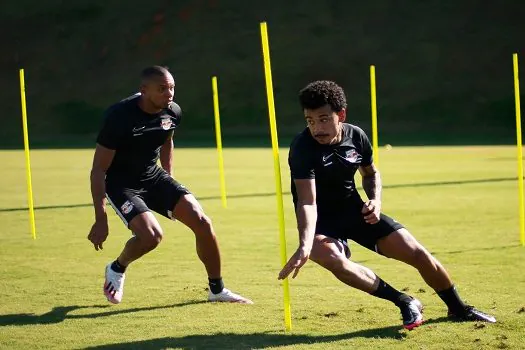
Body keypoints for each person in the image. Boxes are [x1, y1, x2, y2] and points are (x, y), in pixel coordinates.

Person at [278, 80, 495, 329]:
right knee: (329, 257)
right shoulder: (302, 147)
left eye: (324, 119)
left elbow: (370, 174)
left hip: (356, 211)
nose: (317, 128)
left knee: (419, 254)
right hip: (321, 222)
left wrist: (375, 201)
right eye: (310, 121)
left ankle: (458, 309)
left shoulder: (356, 135)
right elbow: (307, 201)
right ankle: (404, 300)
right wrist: (305, 246)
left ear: (341, 115)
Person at [88, 65, 252, 305]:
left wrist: (169, 178)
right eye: (162, 89)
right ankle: (117, 267)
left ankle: (217, 290)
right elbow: (98, 169)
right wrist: (100, 218)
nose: (170, 94)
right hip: (122, 184)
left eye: (172, 88)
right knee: (152, 237)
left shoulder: (172, 111)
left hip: (154, 176)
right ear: (144, 90)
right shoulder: (118, 116)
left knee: (203, 222)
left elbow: (166, 141)